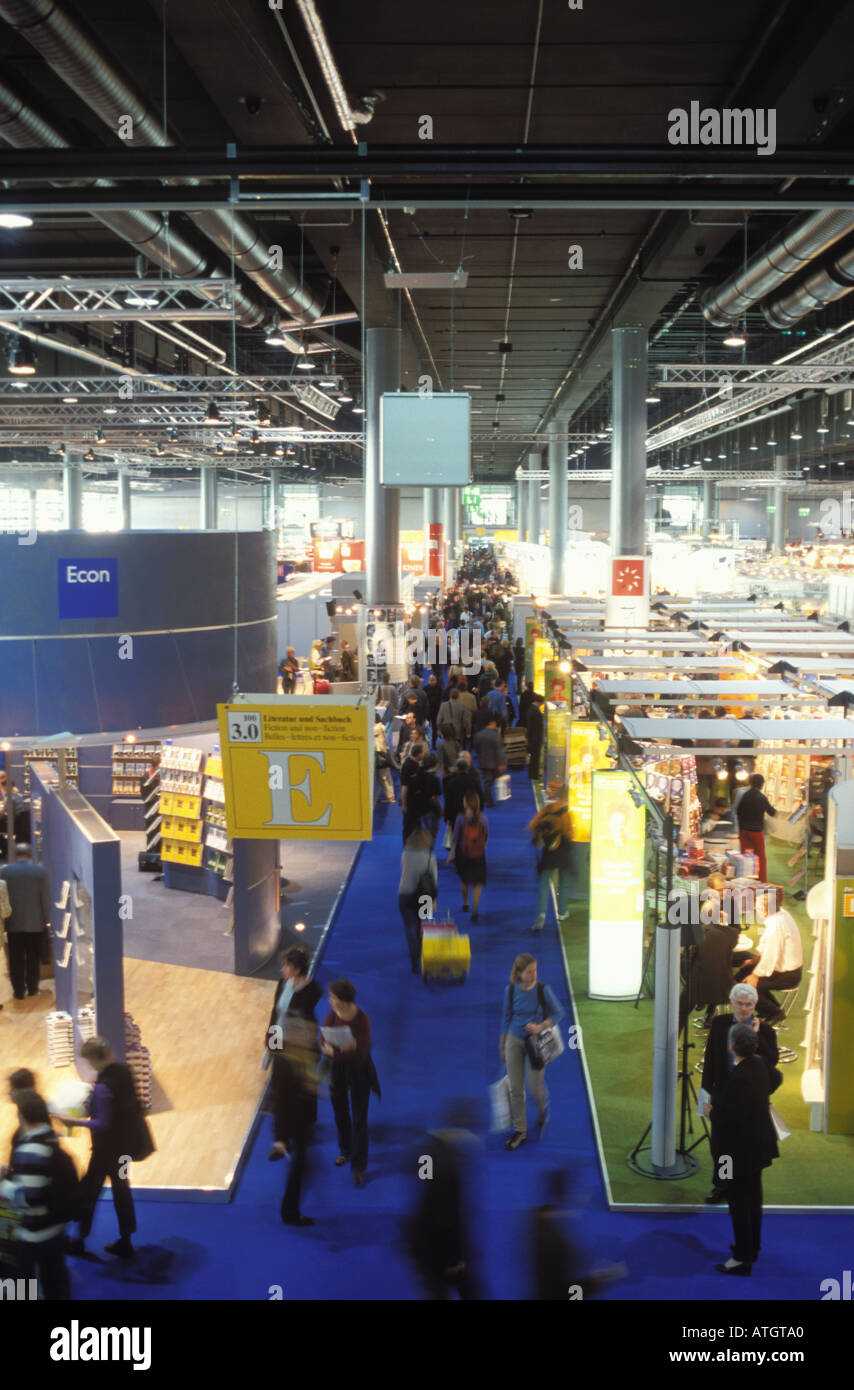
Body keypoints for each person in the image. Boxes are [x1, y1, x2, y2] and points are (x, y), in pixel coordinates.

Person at [64, 1036, 144, 1259]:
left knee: (88, 1193)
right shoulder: (123, 1071)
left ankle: (78, 1240)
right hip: (124, 1151)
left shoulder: (103, 1087)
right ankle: (126, 1241)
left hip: (104, 1153)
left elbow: (103, 1123)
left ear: (93, 1059)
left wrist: (75, 1122)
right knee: (122, 1190)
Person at [708, 1023, 779, 1275]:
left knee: (739, 1203)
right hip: (759, 1148)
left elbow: (730, 1117)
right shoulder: (760, 1064)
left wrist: (711, 1112)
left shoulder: (739, 1077)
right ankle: (751, 1246)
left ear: (731, 1047)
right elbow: (777, 1077)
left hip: (737, 1153)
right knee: (754, 1199)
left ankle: (741, 1258)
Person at [701, 982, 780, 1205]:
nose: (744, 1009)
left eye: (749, 1004)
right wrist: (705, 1092)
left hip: (749, 1103)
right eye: (739, 1003)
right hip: (723, 1097)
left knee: (746, 1148)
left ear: (755, 1005)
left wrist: (756, 1037)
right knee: (722, 1146)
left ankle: (743, 1186)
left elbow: (771, 1062)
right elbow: (711, 1061)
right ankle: (723, 1185)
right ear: (731, 1003)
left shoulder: (765, 1031)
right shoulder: (719, 1025)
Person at [0, 1089, 71, 1299]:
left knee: (22, 1289)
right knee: (55, 1278)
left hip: (35, 1233)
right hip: (55, 1228)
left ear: (22, 1116)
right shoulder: (51, 1139)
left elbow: (30, 1199)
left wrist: (4, 1186)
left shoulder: (30, 1149)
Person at [500, 955, 564, 1150]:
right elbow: (505, 1018)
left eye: (535, 970)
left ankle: (543, 1106)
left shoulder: (543, 990)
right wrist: (502, 1045)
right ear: (519, 973)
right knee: (515, 1089)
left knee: (534, 1085)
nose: (534, 974)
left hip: (536, 1044)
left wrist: (541, 1026)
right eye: (529, 971)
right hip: (514, 1040)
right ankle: (521, 1131)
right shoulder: (510, 991)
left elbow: (559, 1012)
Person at [321, 979, 377, 1188]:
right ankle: (345, 1150)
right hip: (337, 1071)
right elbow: (323, 1041)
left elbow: (362, 1051)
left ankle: (358, 1166)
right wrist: (342, 1051)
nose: (330, 1001)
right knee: (340, 1112)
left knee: (360, 1118)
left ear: (343, 1001)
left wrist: (336, 1052)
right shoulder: (331, 1016)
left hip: (359, 1072)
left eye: (333, 998)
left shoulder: (362, 1020)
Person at [271, 1011, 320, 1226]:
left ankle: (290, 1209)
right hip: (294, 1122)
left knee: (302, 1166)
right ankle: (290, 1213)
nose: (308, 1037)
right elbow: (279, 1102)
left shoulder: (305, 1055)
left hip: (304, 1120)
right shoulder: (283, 1063)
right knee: (299, 1168)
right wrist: (280, 1137)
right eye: (303, 1033)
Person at [737, 887, 803, 1023]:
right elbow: (765, 943)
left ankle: (774, 1013)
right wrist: (753, 961)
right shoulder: (780, 914)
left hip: (789, 974)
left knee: (746, 986)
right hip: (784, 968)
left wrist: (755, 975)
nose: (756, 911)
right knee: (744, 973)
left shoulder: (776, 924)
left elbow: (771, 955)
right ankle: (773, 1008)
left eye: (758, 909)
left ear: (766, 910)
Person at [0, 843, 51, 1000]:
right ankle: (33, 987)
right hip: (35, 923)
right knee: (33, 958)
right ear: (30, 855)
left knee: (15, 959)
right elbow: (45, 899)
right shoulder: (40, 872)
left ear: (15, 856)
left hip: (13, 924)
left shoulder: (4, 872)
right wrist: (47, 920)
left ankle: (18, 991)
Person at [527, 783, 574, 932]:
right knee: (564, 882)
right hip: (564, 852)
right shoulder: (567, 813)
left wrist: (543, 837)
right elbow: (570, 833)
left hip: (549, 853)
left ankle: (541, 914)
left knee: (544, 884)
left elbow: (531, 826)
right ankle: (562, 911)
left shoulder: (546, 810)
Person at [399, 828, 438, 972]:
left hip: (405, 894)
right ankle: (422, 951)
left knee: (410, 927)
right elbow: (434, 879)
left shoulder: (405, 854)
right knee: (421, 925)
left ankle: (415, 962)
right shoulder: (429, 856)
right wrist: (434, 901)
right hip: (425, 896)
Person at [447, 791, 488, 922]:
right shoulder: (483, 818)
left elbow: (455, 838)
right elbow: (485, 836)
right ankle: (475, 908)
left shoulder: (460, 818)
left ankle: (466, 903)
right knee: (478, 882)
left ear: (466, 804)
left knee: (465, 880)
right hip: (479, 854)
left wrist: (452, 853)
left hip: (463, 854)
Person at [736, 773, 776, 882]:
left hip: (743, 830)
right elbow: (772, 812)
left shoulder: (745, 795)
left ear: (751, 783)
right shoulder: (762, 797)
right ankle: (761, 881)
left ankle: (745, 880)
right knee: (760, 858)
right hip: (756, 831)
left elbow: (738, 811)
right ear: (762, 784)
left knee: (746, 856)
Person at [473, 716, 506, 808]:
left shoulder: (478, 735)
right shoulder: (496, 735)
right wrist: (502, 763)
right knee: (499, 780)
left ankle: (488, 800)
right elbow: (499, 750)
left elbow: (476, 748)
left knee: (487, 782)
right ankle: (501, 796)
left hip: (483, 761)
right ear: (492, 723)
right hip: (495, 762)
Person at [374, 719, 396, 802]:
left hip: (381, 755)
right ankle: (391, 796)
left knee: (383, 777)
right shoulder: (382, 727)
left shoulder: (376, 729)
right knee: (386, 776)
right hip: (384, 753)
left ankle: (390, 797)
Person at [526, 692, 544, 781]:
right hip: (535, 738)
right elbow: (536, 727)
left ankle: (533, 773)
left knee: (533, 757)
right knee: (535, 757)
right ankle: (534, 774)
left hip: (532, 737)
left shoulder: (531, 709)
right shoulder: (536, 711)